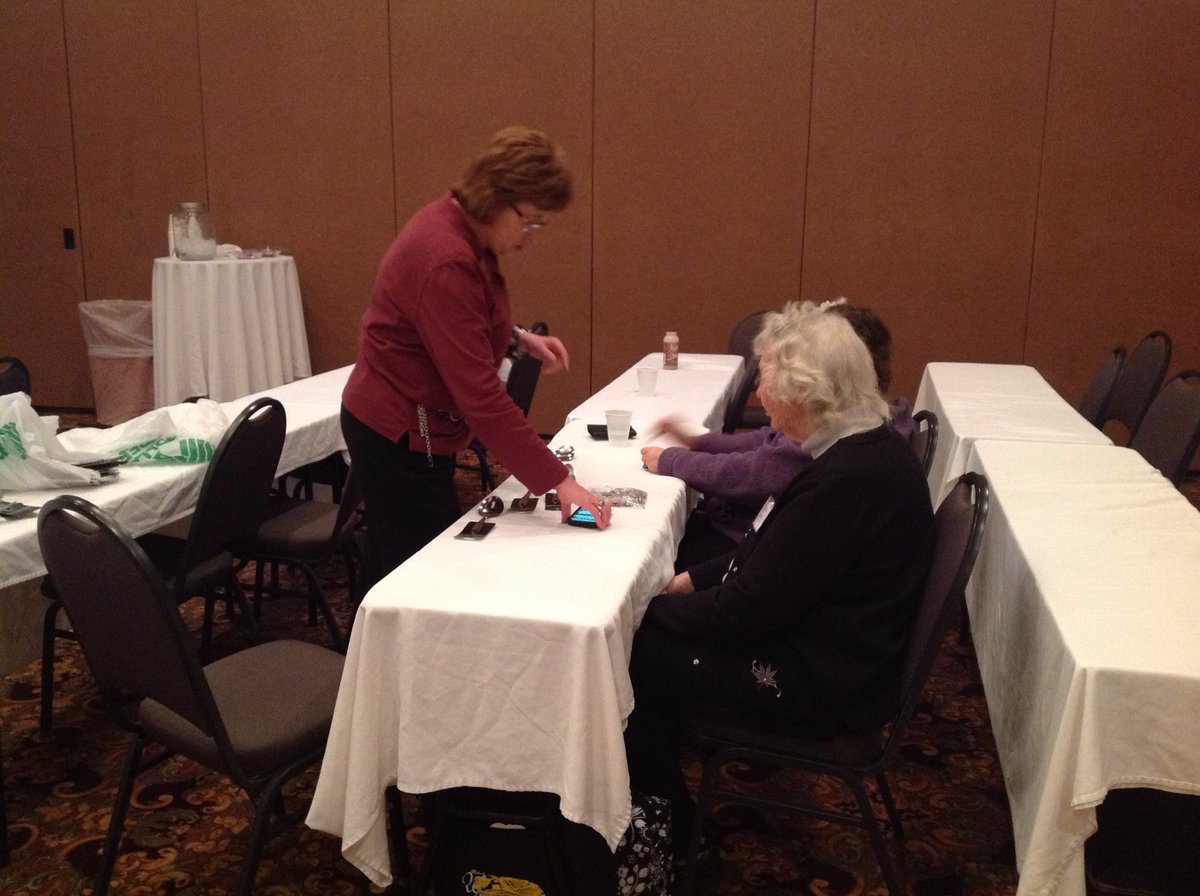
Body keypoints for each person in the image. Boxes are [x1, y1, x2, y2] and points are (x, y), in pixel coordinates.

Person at [623, 300, 935, 856]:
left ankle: (669, 834)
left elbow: (746, 610)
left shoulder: (846, 480)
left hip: (830, 681)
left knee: (632, 655)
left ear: (805, 392)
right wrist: (690, 580)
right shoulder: (857, 451)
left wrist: (646, 613)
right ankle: (660, 776)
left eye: (766, 381)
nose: (759, 396)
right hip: (842, 648)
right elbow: (771, 552)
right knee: (652, 634)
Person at [341, 126, 611, 586]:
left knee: (402, 556)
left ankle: (373, 653)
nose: (531, 237)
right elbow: (481, 397)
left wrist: (515, 337)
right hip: (401, 429)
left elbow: (456, 319)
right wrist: (558, 480)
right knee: (414, 570)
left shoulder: (457, 223)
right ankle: (380, 655)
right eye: (530, 221)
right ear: (496, 197)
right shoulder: (446, 256)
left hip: (413, 420)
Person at [641, 300, 914, 569]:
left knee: (649, 556)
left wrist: (673, 460)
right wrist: (696, 442)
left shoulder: (836, 460)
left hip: (744, 537)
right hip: (755, 546)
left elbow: (746, 475)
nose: (759, 392)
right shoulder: (852, 429)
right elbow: (763, 441)